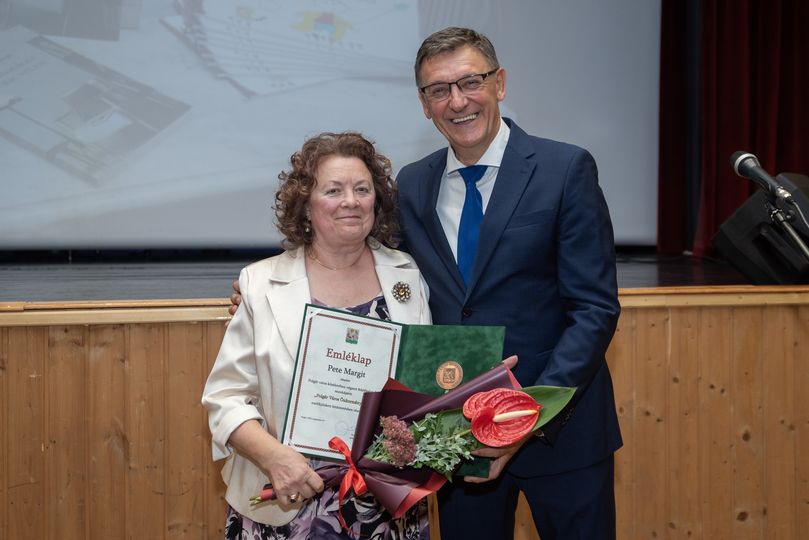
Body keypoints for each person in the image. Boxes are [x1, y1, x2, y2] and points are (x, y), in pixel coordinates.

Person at [230, 27, 622, 540]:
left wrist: (523, 416)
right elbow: (355, 250)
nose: (457, 101)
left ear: (500, 83)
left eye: (470, 82)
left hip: (559, 436)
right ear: (423, 103)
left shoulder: (564, 168)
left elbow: (594, 308)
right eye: (439, 89)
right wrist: (266, 289)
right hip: (454, 440)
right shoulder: (414, 184)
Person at [204, 131, 432, 539]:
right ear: (305, 207)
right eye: (333, 190)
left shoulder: (407, 275)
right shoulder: (261, 283)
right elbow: (225, 399)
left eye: (362, 189)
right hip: (288, 501)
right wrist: (274, 458)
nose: (351, 201)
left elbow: (426, 383)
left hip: (386, 508)